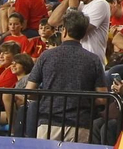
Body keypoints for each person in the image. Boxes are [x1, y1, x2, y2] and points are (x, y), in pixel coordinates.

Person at [24, 9, 108, 141]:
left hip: (49, 123)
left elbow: (29, 91)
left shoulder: (46, 56)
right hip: (80, 125)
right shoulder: (93, 60)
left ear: (64, 31)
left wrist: (48, 97)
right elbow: (102, 98)